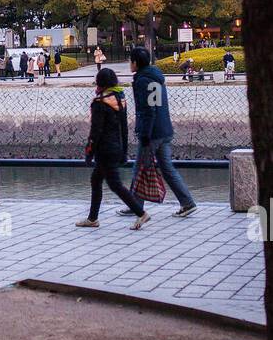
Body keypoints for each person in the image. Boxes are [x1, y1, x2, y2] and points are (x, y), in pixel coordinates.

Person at [123, 46, 198, 218]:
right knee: (166, 168)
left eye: (130, 61)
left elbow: (149, 110)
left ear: (135, 63)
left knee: (139, 167)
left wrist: (145, 134)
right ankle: (187, 203)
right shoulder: (154, 76)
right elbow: (156, 106)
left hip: (153, 133)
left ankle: (135, 206)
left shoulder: (143, 80)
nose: (129, 64)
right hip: (164, 129)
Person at [77, 67, 149, 230]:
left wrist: (89, 152)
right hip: (116, 147)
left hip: (105, 150)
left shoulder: (99, 103)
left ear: (100, 83)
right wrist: (124, 151)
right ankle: (92, 218)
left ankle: (141, 213)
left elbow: (95, 131)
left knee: (115, 184)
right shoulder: (119, 98)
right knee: (96, 180)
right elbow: (124, 128)